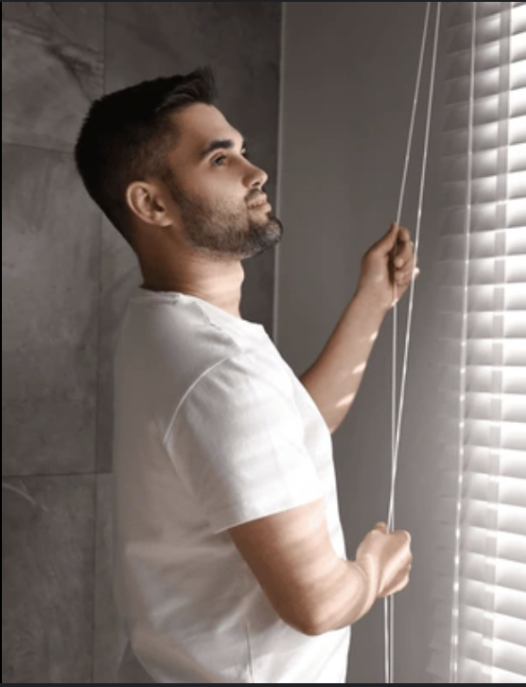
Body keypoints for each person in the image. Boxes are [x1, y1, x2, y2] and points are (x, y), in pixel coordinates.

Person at [73, 66, 417, 683]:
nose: (255, 172)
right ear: (151, 203)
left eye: (243, 151)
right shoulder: (218, 369)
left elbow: (287, 425)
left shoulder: (162, 326)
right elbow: (317, 603)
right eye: (219, 159)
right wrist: (374, 571)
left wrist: (373, 299)